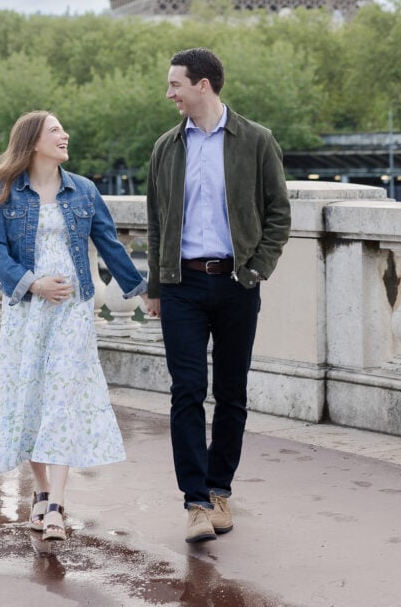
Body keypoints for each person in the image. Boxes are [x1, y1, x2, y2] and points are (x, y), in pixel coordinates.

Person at [143, 48, 291, 544]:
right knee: (186, 390)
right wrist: (157, 286)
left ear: (202, 85)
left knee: (231, 393)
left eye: (175, 85)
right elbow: (157, 220)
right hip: (182, 286)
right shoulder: (166, 147)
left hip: (235, 284)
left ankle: (220, 488)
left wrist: (256, 270)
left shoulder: (256, 140)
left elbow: (278, 214)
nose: (169, 94)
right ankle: (195, 502)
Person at [0, 109, 147, 541]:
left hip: (73, 313)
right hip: (26, 311)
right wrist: (33, 283)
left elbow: (110, 245)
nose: (65, 135)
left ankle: (56, 503)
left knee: (62, 398)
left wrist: (143, 292)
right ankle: (39, 492)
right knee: (31, 397)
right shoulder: (5, 190)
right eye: (55, 130)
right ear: (34, 141)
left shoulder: (85, 191)